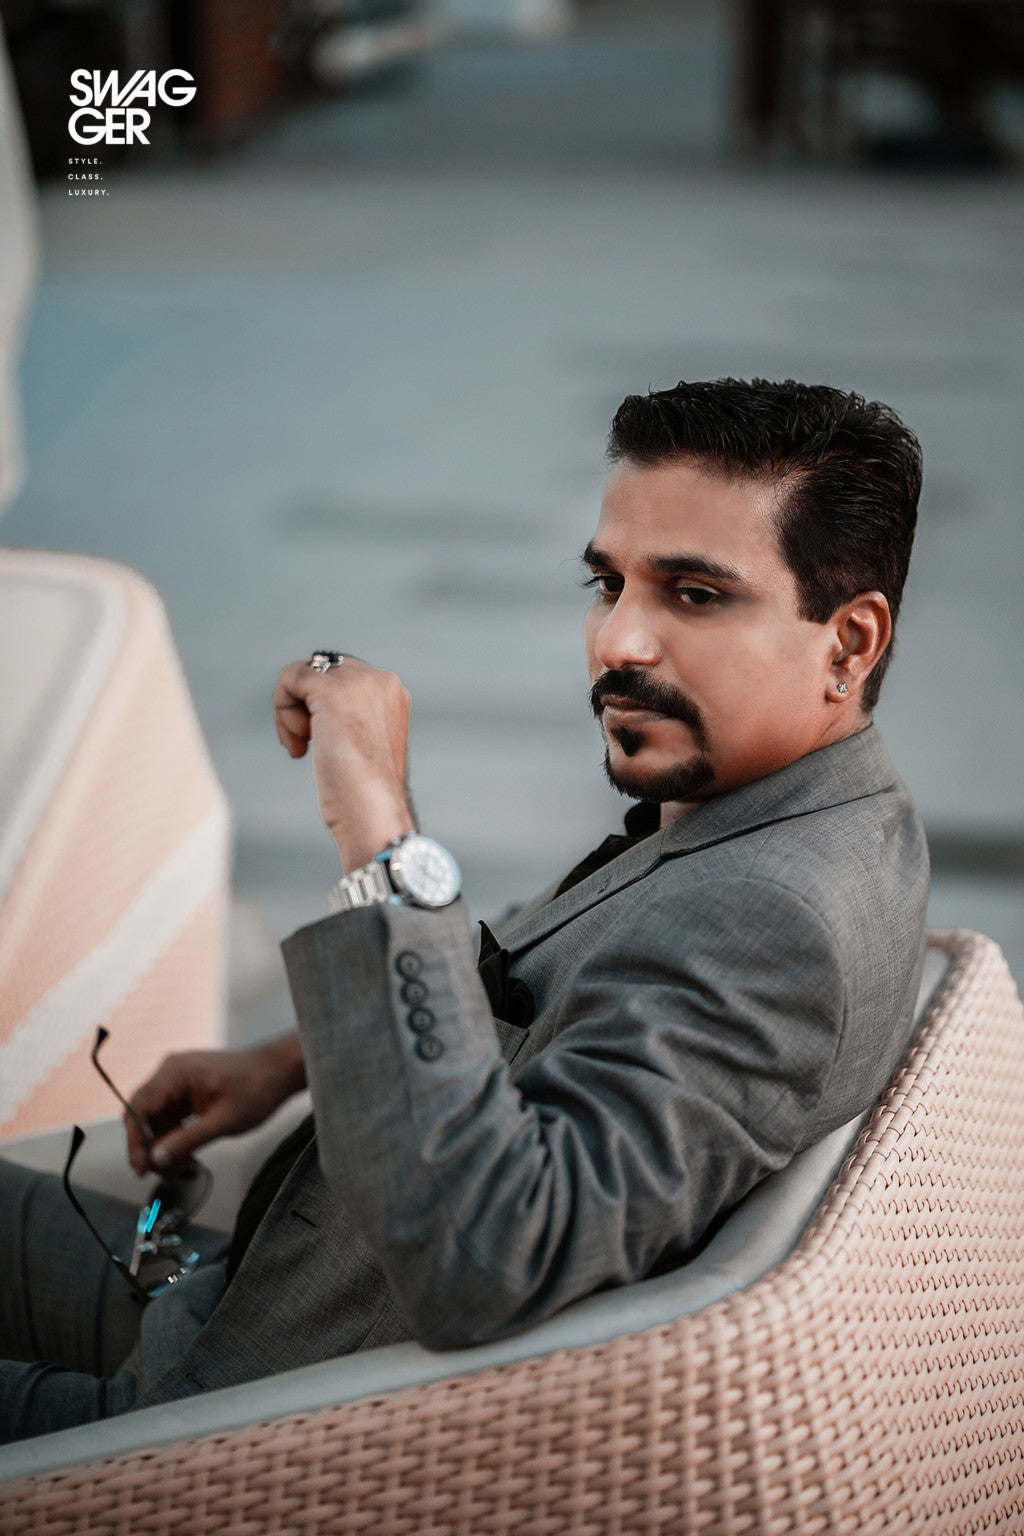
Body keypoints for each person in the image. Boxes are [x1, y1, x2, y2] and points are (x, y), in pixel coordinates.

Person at [0, 378, 929, 1441]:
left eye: (694, 595)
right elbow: (546, 994)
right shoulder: (825, 819)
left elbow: (485, 1255)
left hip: (217, 1422)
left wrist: (374, 821)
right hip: (244, 1298)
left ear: (849, 643)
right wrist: (292, 1060)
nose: (620, 642)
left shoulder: (770, 921)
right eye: (608, 583)